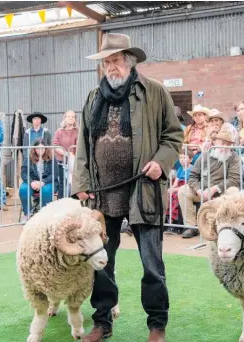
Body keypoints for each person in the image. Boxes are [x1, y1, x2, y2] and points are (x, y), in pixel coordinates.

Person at [72, 33, 183, 342]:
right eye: (106, 62)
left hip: (142, 193)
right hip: (102, 195)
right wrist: (81, 183)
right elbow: (83, 143)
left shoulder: (155, 92)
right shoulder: (94, 97)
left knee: (151, 264)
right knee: (101, 263)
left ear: (130, 62)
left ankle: (157, 325)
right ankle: (102, 323)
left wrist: (161, 162)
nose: (111, 67)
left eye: (116, 60)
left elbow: (173, 135)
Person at [178, 130, 241, 239]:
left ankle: (227, 227)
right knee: (183, 190)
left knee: (233, 191)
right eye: (222, 142)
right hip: (202, 191)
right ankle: (191, 226)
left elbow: (234, 179)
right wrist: (198, 190)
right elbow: (193, 177)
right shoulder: (205, 155)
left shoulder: (234, 157)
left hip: (221, 191)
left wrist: (214, 189)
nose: (224, 146)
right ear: (215, 142)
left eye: (228, 144)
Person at [19, 139, 59, 222]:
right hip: (33, 181)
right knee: (23, 190)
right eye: (38, 148)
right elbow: (24, 173)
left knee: (46, 190)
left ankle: (44, 215)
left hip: (48, 181)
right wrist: (31, 182)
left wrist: (43, 182)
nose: (40, 150)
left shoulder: (51, 158)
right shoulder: (28, 158)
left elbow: (54, 174)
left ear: (45, 149)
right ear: (34, 149)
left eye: (42, 148)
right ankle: (27, 214)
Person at [52, 110, 78, 198]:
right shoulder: (59, 132)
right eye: (69, 116)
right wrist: (66, 153)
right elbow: (55, 145)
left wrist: (73, 155)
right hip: (61, 162)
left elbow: (79, 146)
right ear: (65, 118)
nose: (71, 118)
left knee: (74, 183)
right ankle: (61, 203)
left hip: (74, 162)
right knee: (62, 183)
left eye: (73, 117)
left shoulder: (77, 131)